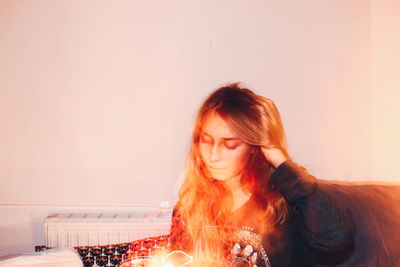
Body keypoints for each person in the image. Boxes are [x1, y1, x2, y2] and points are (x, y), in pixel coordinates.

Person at [169, 83, 356, 267]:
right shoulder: (191, 205)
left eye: (230, 145)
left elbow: (338, 234)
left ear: (253, 147)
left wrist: (277, 155)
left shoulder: (286, 202)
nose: (213, 155)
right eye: (206, 140)